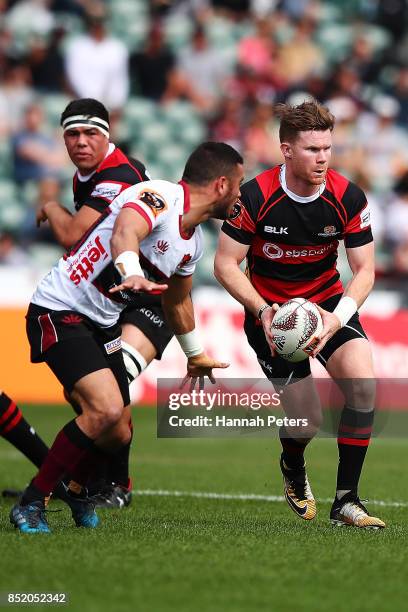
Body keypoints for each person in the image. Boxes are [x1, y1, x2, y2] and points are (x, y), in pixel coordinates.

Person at [10, 141, 243, 533]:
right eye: (239, 184)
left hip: (101, 325)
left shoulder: (194, 243)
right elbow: (125, 232)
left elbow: (178, 301)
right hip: (60, 309)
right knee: (103, 409)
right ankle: (33, 501)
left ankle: (80, 492)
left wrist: (195, 353)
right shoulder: (161, 197)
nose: (241, 194)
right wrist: (130, 267)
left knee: (117, 427)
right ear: (221, 185)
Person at [214, 100, 385, 529]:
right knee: (305, 421)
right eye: (312, 149)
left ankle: (347, 500)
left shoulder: (348, 196)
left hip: (327, 304)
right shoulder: (254, 196)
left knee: (363, 385)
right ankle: (293, 464)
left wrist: (338, 316)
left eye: (327, 147)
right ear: (286, 150)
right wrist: (262, 311)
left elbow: (365, 271)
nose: (323, 157)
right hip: (273, 315)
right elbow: (224, 264)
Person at [35, 97, 172, 508]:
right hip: (111, 297)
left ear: (107, 136)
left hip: (150, 297)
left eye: (91, 133)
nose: (81, 141)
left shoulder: (117, 175)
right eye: (72, 134)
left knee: (116, 382)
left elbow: (72, 234)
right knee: (86, 399)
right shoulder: (87, 176)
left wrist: (49, 205)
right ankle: (86, 482)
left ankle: (117, 485)